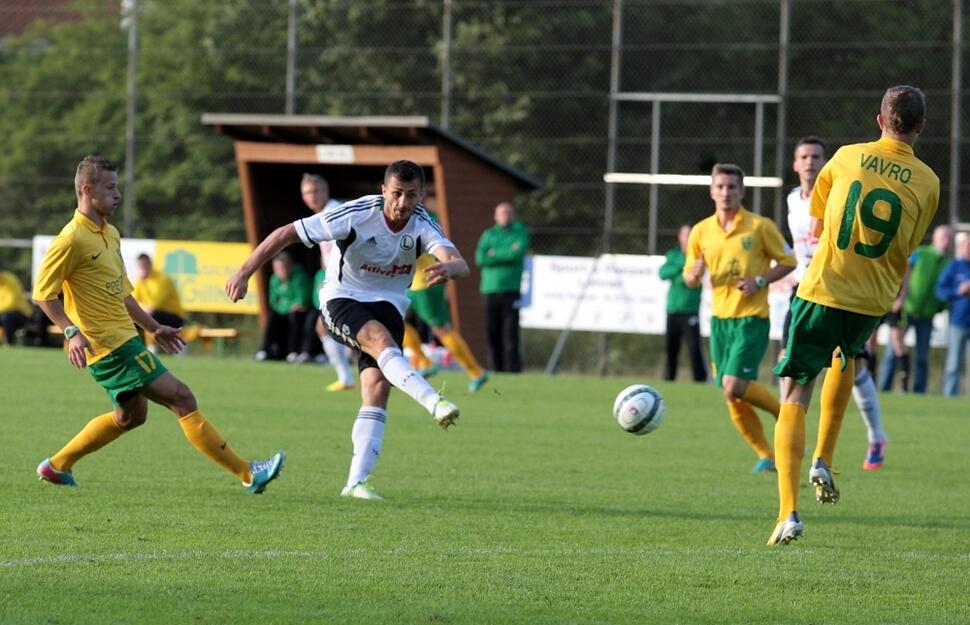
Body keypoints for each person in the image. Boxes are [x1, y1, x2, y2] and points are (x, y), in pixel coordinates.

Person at [33, 155, 284, 493]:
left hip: (124, 338)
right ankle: (249, 474)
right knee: (182, 397)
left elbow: (123, 294)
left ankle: (57, 465)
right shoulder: (70, 239)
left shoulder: (111, 234)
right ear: (87, 190)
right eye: (110, 188)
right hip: (109, 345)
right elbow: (43, 295)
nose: (117, 194)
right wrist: (71, 332)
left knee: (131, 417)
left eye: (117, 187)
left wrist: (152, 327)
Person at [226, 160, 466, 500]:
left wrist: (450, 266)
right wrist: (243, 272)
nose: (402, 203)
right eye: (396, 194)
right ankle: (433, 401)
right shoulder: (355, 213)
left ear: (421, 195)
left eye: (411, 195)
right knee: (381, 341)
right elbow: (286, 234)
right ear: (384, 191)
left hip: (390, 305)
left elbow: (459, 261)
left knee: (377, 387)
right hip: (342, 297)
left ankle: (355, 483)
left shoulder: (422, 222)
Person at [770, 86, 939, 546]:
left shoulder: (846, 156)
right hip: (871, 302)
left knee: (795, 391)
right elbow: (906, 245)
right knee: (847, 357)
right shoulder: (928, 182)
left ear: (879, 121)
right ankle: (823, 455)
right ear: (920, 127)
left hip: (823, 289)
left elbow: (819, 221)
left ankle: (788, 512)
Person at [782, 136, 889, 471]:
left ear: (826, 163)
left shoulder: (839, 192)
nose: (811, 162)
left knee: (852, 369)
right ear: (795, 164)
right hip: (804, 290)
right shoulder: (791, 200)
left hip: (839, 291)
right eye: (805, 156)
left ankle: (876, 435)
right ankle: (790, 441)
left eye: (817, 156)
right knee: (791, 365)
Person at [683, 163, 796, 473]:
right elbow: (690, 275)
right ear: (711, 191)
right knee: (731, 395)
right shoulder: (701, 231)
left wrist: (759, 281)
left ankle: (785, 412)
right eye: (720, 187)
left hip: (752, 319)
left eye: (732, 187)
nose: (726, 192)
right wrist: (693, 275)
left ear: (742, 191)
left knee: (733, 385)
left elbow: (789, 260)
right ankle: (766, 455)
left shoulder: (759, 226)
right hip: (720, 322)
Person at [406, 211, 490, 392]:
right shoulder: (402, 213)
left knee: (441, 329)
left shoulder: (425, 217)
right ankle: (423, 361)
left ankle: (476, 371)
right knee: (393, 320)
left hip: (426, 281)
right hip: (412, 283)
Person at [296, 173, 355, 390]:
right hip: (337, 280)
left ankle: (349, 377)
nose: (311, 197)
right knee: (325, 328)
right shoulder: (323, 215)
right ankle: (347, 377)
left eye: (314, 191)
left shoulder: (334, 212)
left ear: (325, 191)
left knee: (326, 327)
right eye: (306, 193)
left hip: (349, 281)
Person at [879, 224, 953, 392]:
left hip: (927, 315)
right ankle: (885, 388)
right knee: (893, 351)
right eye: (943, 237)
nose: (946, 241)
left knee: (922, 357)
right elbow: (903, 270)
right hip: (907, 310)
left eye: (949, 238)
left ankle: (919, 392)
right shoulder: (920, 253)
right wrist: (900, 297)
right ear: (934, 238)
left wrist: (941, 306)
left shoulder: (948, 263)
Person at [476, 201, 529, 373]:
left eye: (508, 213)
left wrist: (495, 254)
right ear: (495, 216)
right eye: (502, 213)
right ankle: (497, 370)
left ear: (512, 215)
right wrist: (506, 253)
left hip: (511, 290)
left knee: (511, 332)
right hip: (490, 289)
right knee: (493, 332)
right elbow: (481, 258)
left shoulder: (520, 231)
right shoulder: (488, 234)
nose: (505, 217)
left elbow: (517, 253)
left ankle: (513, 370)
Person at [658, 224, 707, 382]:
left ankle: (700, 379)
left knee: (694, 348)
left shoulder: (700, 256)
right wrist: (682, 266)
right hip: (673, 310)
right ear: (680, 237)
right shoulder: (674, 255)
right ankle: (669, 378)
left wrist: (681, 274)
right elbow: (663, 273)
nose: (687, 238)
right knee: (671, 348)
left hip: (690, 310)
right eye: (685, 234)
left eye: (690, 234)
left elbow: (692, 279)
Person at [254, 252, 311, 362]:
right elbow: (274, 302)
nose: (282, 271)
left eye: (284, 267)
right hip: (283, 312)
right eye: (278, 268)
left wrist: (285, 305)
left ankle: (293, 352)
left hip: (298, 313)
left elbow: (301, 300)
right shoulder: (274, 280)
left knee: (295, 316)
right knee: (272, 316)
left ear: (290, 266)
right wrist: (287, 306)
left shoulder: (299, 277)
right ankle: (264, 349)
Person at [935, 231, 970, 397]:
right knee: (954, 363)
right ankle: (950, 397)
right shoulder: (955, 266)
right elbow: (940, 291)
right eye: (968, 245)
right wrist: (959, 291)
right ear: (962, 247)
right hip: (959, 322)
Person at [132, 253, 186, 332]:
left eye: (145, 266)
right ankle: (143, 342)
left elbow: (154, 306)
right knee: (132, 317)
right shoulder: (139, 280)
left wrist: (139, 308)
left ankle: (157, 342)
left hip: (174, 317)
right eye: (140, 267)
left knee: (149, 316)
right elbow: (133, 301)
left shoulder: (163, 279)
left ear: (150, 265)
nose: (143, 269)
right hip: (153, 315)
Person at [0, 269, 33, 345]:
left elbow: (12, 304)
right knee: (5, 316)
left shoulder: (11, 280)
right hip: (5, 313)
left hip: (22, 314)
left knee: (7, 317)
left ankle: (9, 342)